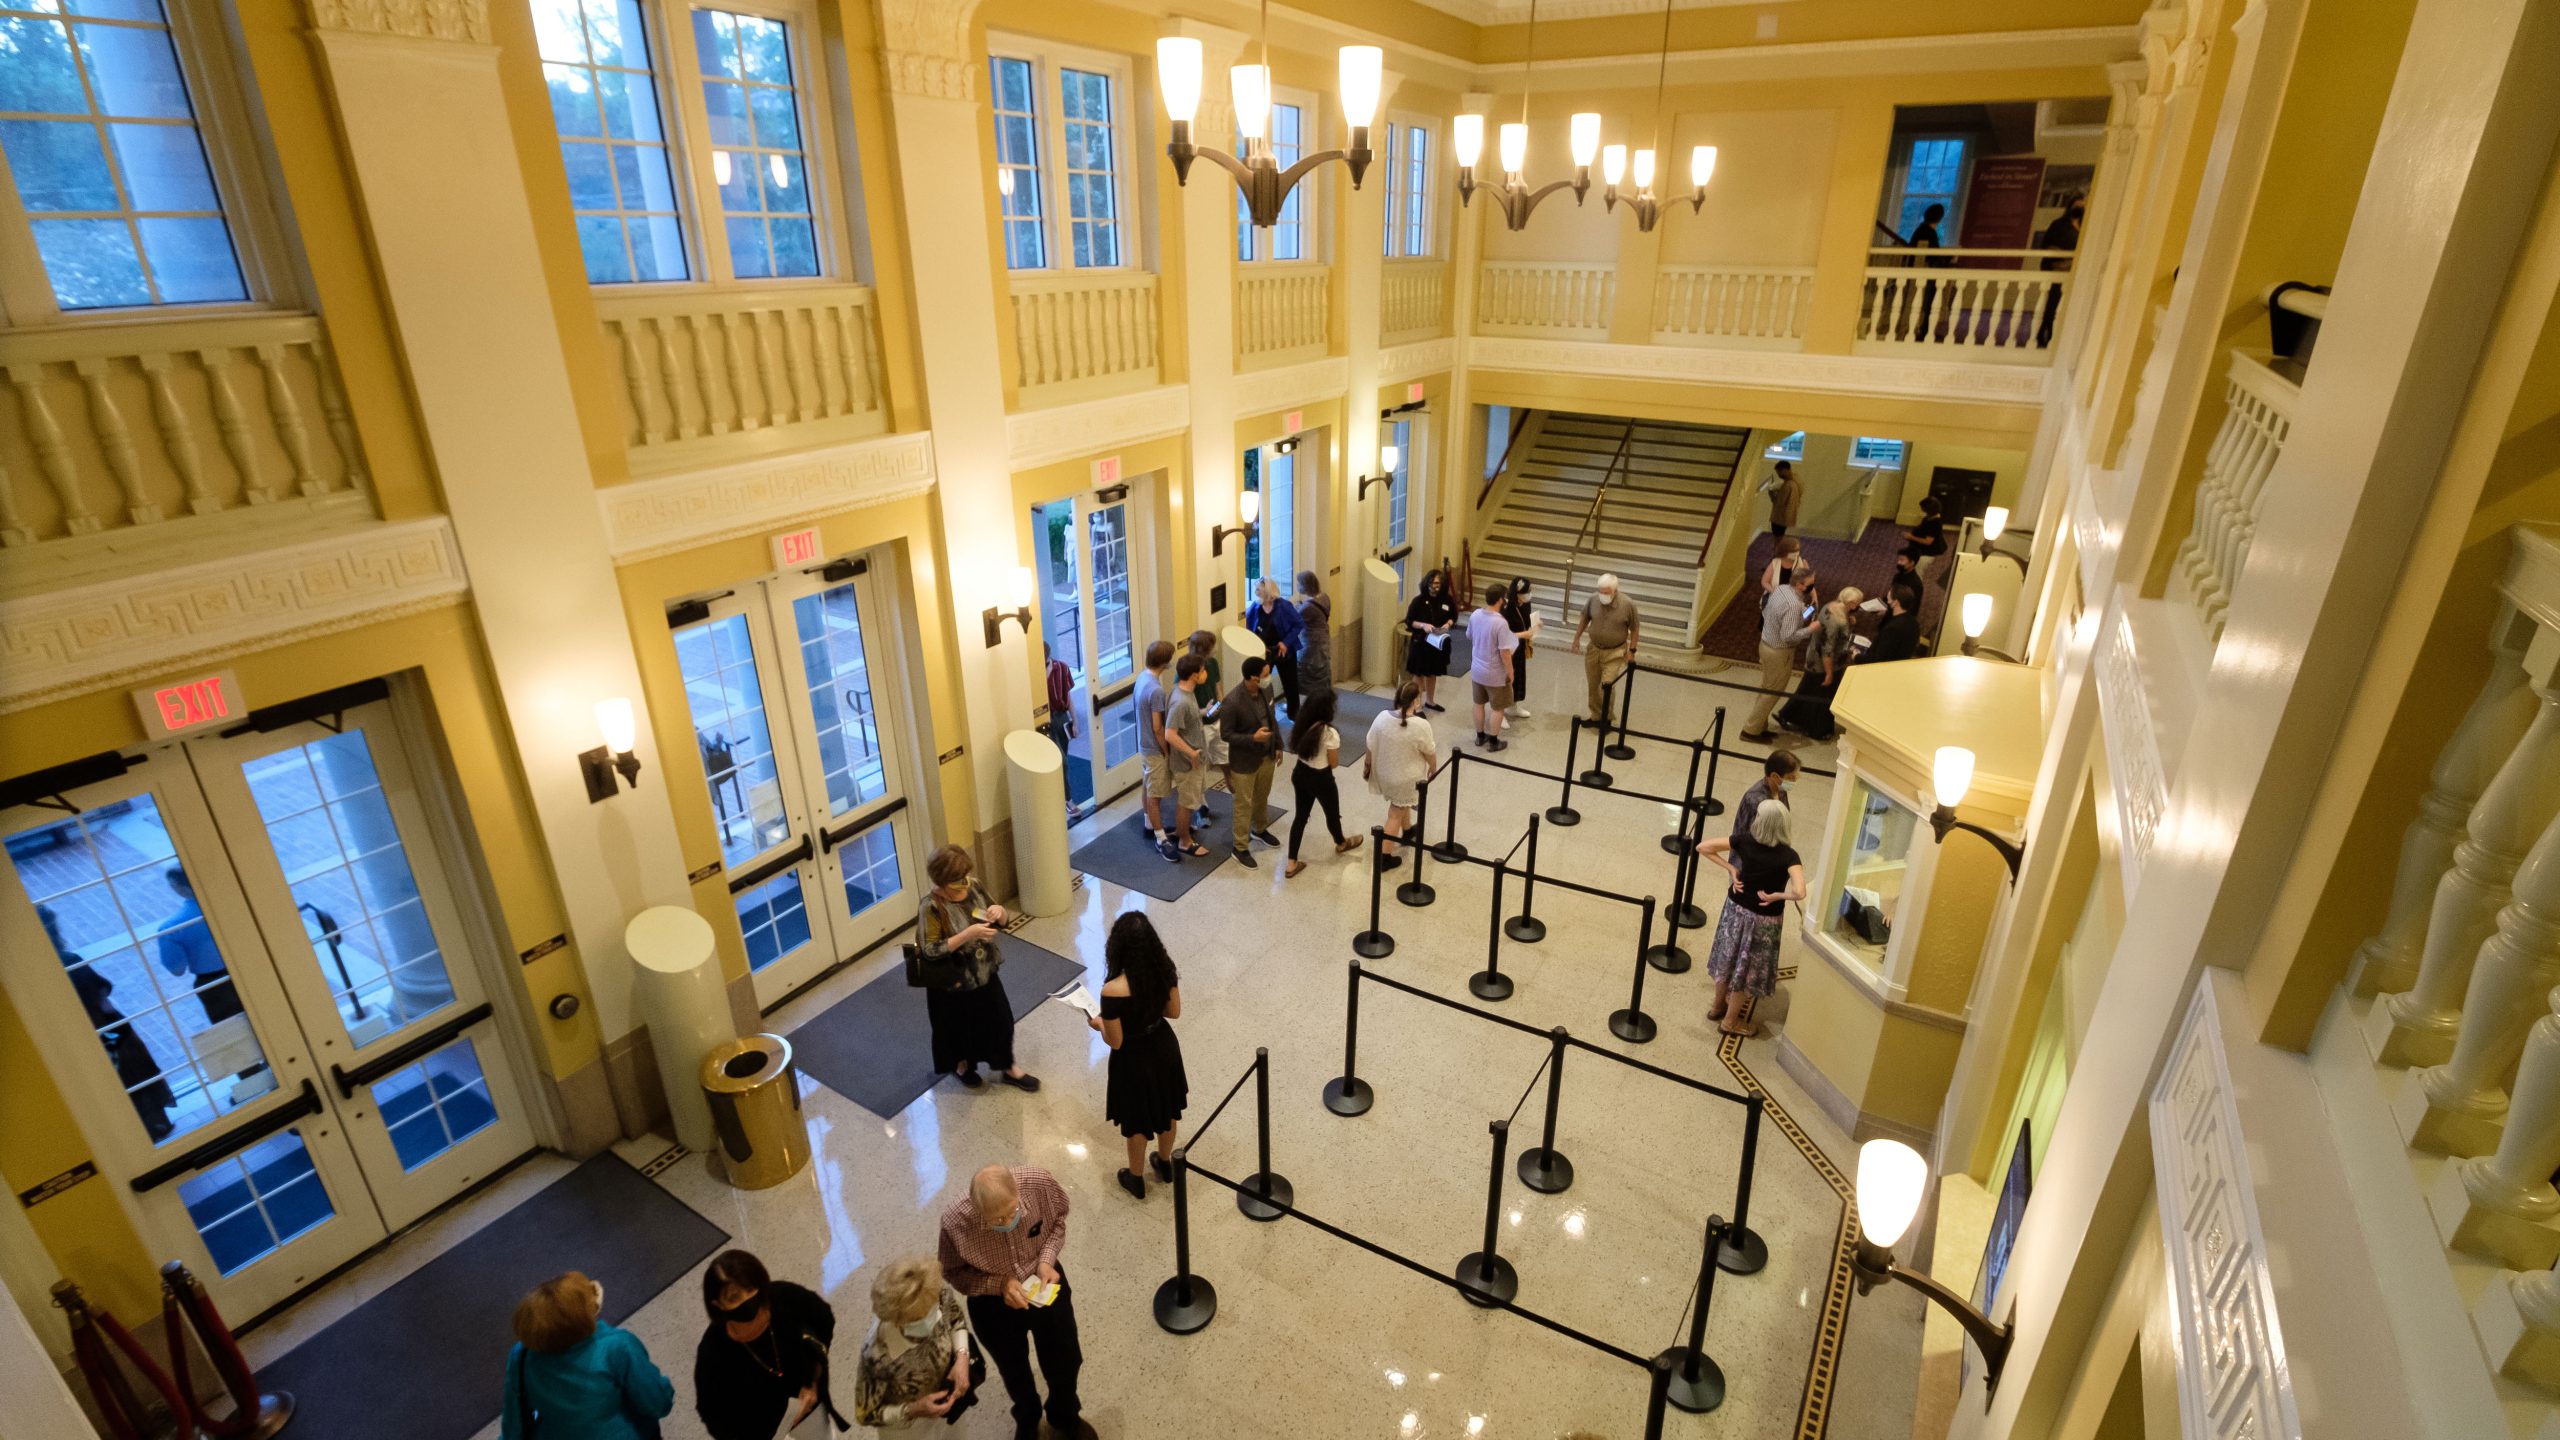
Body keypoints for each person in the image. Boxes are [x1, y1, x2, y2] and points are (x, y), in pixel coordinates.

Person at [938, 1164, 1089, 1440]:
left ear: (1017, 1192)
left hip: (1044, 1282)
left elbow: (1058, 1220)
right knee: (1013, 1370)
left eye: (1013, 1211)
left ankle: (1064, 1415)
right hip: (992, 1304)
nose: (1007, 1221)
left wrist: (1046, 1260)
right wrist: (999, 1284)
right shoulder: (955, 1221)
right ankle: (1027, 1418)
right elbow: (952, 1272)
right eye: (996, 1220)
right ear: (977, 1210)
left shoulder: (1039, 1183)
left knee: (1066, 1358)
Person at [44, 904, 175, 1141]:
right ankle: (155, 1124)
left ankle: (128, 1132)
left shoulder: (39, 972)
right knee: (132, 1071)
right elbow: (102, 990)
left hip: (74, 1036)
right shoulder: (68, 960)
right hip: (105, 1027)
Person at [916, 845, 1038, 1092]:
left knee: (1001, 1020)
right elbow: (929, 950)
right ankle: (961, 1066)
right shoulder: (931, 906)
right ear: (941, 881)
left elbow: (1000, 920)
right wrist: (967, 935)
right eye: (957, 880)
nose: (964, 883)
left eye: (965, 876)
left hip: (983, 971)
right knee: (957, 1028)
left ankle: (1007, 1066)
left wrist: (1000, 913)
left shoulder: (974, 886)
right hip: (952, 983)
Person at [500, 1272, 675, 1440]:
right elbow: (657, 1404)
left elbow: (514, 1421)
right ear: (582, 1317)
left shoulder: (522, 1354)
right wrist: (665, 1387)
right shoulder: (618, 1347)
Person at [1086, 911, 1188, 1197]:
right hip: (1164, 1048)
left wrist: (1099, 1024)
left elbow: (1116, 1041)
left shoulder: (1112, 990)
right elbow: (1173, 1012)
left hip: (1133, 1059)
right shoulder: (1165, 970)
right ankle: (1165, 1164)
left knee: (1137, 1122)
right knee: (1168, 1110)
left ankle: (1136, 1178)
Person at [694, 1250, 841, 1440]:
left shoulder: (785, 1299)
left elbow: (823, 1318)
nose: (746, 1299)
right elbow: (713, 1416)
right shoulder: (713, 1353)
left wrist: (812, 1380)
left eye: (750, 1288)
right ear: (718, 1305)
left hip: (809, 1408)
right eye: (734, 1297)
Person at [1696, 799, 1805, 1038]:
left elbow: (1703, 847)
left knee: (1728, 959)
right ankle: (1730, 1022)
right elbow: (1799, 892)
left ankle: (1717, 1007)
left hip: (1735, 909)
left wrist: (1731, 868)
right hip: (1764, 921)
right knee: (1747, 972)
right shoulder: (1788, 856)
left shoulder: (1744, 840)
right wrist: (1778, 895)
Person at [155, 867, 266, 1091]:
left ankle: (255, 1085)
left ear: (178, 887)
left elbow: (177, 969)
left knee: (234, 1037)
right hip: (251, 969)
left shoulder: (171, 928)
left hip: (214, 986)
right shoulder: (232, 906)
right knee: (266, 1022)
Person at [850, 1258, 978, 1431]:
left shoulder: (936, 1294)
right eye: (917, 1319)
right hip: (909, 1427)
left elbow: (956, 1320)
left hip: (949, 1410)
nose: (928, 1320)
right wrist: (913, 1409)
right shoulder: (876, 1353)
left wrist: (962, 1357)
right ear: (896, 1319)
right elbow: (865, 1414)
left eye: (932, 1311)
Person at [1283, 689, 1363, 876]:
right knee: (1332, 814)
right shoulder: (1329, 733)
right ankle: (1341, 843)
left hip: (1300, 773)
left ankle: (1291, 863)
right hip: (1321, 779)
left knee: (1300, 817)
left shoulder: (1301, 723)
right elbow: (1333, 763)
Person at [1363, 679, 1438, 871]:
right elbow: (1429, 751)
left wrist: (1368, 764)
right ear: (1416, 701)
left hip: (1385, 772)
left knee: (1402, 803)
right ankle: (1384, 857)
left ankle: (1407, 830)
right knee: (1395, 813)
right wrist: (1433, 767)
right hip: (1406, 778)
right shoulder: (1421, 725)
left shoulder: (1382, 717)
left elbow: (1370, 743)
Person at [1218, 656, 1283, 866]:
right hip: (1244, 761)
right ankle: (1240, 847)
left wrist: (1278, 744)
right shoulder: (1232, 701)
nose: (1269, 677)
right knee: (1243, 803)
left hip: (1267, 756)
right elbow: (1226, 734)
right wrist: (1252, 738)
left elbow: (1272, 719)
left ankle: (1259, 829)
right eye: (1266, 674)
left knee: (1262, 796)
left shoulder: (1266, 690)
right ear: (1253, 678)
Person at [1742, 563, 1817, 742]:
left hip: (1766, 644)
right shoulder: (1793, 605)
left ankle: (1759, 726)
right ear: (1800, 585)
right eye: (1811, 584)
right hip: (1779, 652)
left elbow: (1788, 617)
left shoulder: (1782, 589)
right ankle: (1750, 731)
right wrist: (1811, 629)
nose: (1813, 588)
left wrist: (1808, 611)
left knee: (1766, 688)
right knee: (1772, 692)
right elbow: (1788, 636)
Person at [1777, 587, 1862, 741]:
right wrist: (1829, 673)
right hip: (1825, 664)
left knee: (1808, 690)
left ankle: (1789, 715)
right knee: (1823, 697)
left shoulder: (1831, 606)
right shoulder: (1837, 621)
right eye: (1858, 603)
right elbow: (1827, 650)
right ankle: (1817, 729)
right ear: (1852, 603)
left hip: (1814, 658)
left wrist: (1850, 621)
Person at [1570, 574, 1640, 726]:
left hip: (1615, 652)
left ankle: (1606, 719)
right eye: (1600, 591)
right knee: (1593, 685)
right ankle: (1596, 716)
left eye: (1606, 592)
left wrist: (1632, 651)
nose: (1603, 595)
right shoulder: (1593, 599)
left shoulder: (1628, 604)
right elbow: (1585, 619)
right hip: (1594, 649)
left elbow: (1635, 629)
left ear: (1615, 591)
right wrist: (1576, 639)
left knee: (1607, 685)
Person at [1161, 656, 1212, 860]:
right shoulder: (1181, 701)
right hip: (1187, 763)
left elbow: (1188, 719)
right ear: (1194, 675)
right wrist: (1191, 753)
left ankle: (1182, 830)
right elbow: (1170, 734)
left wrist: (1204, 712)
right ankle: (1185, 841)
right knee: (1187, 802)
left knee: (1190, 800)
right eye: (1203, 670)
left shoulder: (1184, 692)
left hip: (1193, 760)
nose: (1205, 673)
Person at [1134, 640, 1179, 860]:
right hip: (1154, 748)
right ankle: (1161, 839)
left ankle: (1149, 824)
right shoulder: (1156, 690)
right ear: (1165, 663)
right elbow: (1158, 727)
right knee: (1156, 794)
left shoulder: (1141, 678)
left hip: (1143, 744)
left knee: (1148, 784)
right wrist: (1166, 750)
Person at [1466, 581, 1518, 751]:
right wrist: (1511, 672)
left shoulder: (1475, 615)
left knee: (1478, 703)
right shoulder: (1500, 623)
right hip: (1495, 674)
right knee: (1498, 708)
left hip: (1476, 670)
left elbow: (1469, 636)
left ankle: (1480, 736)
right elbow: (1504, 652)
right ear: (1501, 600)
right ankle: (1494, 742)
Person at [1402, 569, 1458, 713]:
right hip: (1421, 643)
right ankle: (1417, 705)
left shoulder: (1447, 600)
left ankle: (1430, 701)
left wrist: (1448, 624)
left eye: (1437, 583)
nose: (1434, 586)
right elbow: (1409, 621)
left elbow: (1453, 616)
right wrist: (1423, 625)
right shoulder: (1418, 601)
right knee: (1419, 674)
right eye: (1431, 583)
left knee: (1432, 673)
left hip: (1437, 642)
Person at [1245, 578, 1303, 718]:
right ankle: (1264, 714)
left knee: (1290, 684)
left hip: (1283, 651)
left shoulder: (1283, 606)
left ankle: (1294, 714)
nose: (1255, 593)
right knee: (1262, 684)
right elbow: (1249, 627)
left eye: (1258, 590)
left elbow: (1299, 624)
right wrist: (1259, 645)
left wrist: (1285, 642)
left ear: (1267, 592)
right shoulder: (1255, 607)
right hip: (1265, 652)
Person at [1185, 630, 1224, 832]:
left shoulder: (1213, 664)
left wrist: (1219, 708)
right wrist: (1205, 712)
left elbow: (1218, 690)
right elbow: (1186, 703)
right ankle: (1201, 808)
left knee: (1225, 758)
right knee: (1200, 769)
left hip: (1216, 720)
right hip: (1201, 726)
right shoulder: (1185, 670)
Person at [2035, 194, 2084, 347]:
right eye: (2077, 206)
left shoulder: (2086, 227)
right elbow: (2047, 246)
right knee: (2052, 304)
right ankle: (2044, 335)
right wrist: (2065, 260)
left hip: (2076, 273)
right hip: (2057, 270)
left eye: (2082, 207)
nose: (2079, 209)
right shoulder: (2058, 225)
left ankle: (2063, 338)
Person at [1042, 645, 1080, 820]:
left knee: (1064, 759)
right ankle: (1067, 799)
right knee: (1060, 761)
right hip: (1044, 721)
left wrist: (1075, 721)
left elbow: (1068, 697)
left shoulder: (1062, 668)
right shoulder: (1033, 674)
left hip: (1061, 717)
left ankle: (1060, 797)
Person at [1730, 752, 1800, 843]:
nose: (1795, 780)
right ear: (1774, 776)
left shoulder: (1781, 789)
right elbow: (1747, 838)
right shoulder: (1754, 800)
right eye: (1791, 777)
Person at [1294, 570, 1336, 706]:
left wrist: (1296, 607)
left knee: (1307, 675)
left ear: (1305, 585)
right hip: (1324, 641)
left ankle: (1306, 706)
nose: (1297, 586)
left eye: (1299, 584)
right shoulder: (1325, 597)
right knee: (1322, 673)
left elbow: (1295, 620)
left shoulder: (1307, 607)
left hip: (1310, 646)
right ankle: (1324, 702)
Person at [1499, 577, 1538, 720]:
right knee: (1506, 679)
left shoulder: (1526, 604)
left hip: (1520, 646)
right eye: (1526, 592)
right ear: (1517, 594)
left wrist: (1535, 626)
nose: (1529, 594)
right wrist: (1524, 634)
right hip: (1507, 649)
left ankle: (1513, 707)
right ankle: (1499, 712)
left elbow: (1527, 622)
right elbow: (1502, 634)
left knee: (1518, 677)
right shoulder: (1506, 608)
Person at [1867, 582, 1924, 664]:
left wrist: (1857, 657)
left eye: (1889, 596)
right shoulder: (1914, 622)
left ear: (1895, 602)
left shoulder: (1893, 628)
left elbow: (1879, 659)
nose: (1887, 596)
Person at [1901, 496, 1948, 584]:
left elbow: (1928, 541)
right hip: (1919, 550)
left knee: (1917, 572)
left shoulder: (1935, 523)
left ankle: (1915, 589)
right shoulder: (1929, 518)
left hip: (1926, 553)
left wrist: (1911, 537)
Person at [1759, 459, 1802, 540]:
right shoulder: (1795, 482)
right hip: (1786, 517)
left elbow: (1779, 502)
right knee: (1781, 537)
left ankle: (1780, 548)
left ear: (1785, 470)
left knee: (1778, 539)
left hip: (1780, 518)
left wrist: (1771, 493)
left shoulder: (1787, 485)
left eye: (1779, 472)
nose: (1778, 475)